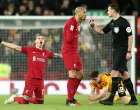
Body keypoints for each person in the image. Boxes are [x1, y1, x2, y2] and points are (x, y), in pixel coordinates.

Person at [89, 3, 138, 105]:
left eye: (108, 10)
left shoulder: (124, 22)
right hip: (116, 50)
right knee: (124, 75)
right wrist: (93, 25)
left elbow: (130, 36)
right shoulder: (112, 22)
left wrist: (129, 51)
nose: (107, 11)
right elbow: (102, 31)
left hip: (122, 50)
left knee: (114, 72)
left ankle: (110, 99)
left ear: (113, 10)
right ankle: (133, 99)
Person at [0, 34, 61, 104]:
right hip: (31, 79)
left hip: (40, 80)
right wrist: (2, 42)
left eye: (42, 38)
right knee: (24, 102)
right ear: (35, 41)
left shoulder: (46, 53)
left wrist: (63, 56)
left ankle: (23, 97)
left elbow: (55, 55)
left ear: (43, 41)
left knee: (40, 102)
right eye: (39, 38)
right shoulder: (30, 50)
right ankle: (14, 98)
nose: (41, 39)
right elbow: (16, 47)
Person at [61, 6, 86, 106]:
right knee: (72, 74)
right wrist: (78, 31)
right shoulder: (71, 23)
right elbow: (68, 39)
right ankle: (70, 100)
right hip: (68, 51)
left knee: (80, 74)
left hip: (74, 52)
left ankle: (72, 97)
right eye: (84, 12)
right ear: (78, 13)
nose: (85, 14)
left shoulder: (77, 22)